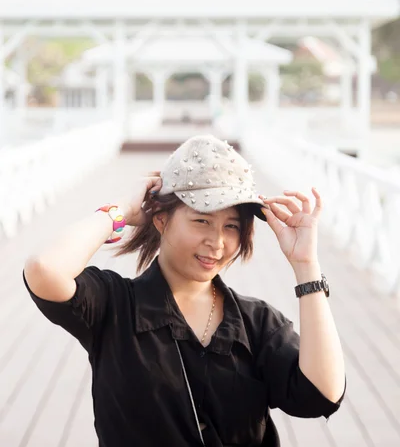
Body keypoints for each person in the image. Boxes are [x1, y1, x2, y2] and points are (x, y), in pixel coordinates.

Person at [23, 134, 346, 446]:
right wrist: (118, 210)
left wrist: (306, 265)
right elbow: (45, 269)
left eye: (231, 225)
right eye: (202, 221)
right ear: (161, 220)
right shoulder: (113, 304)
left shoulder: (257, 321)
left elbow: (320, 394)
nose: (217, 242)